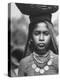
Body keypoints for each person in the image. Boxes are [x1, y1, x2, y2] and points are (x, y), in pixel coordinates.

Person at [16, 3, 59, 76]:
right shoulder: (24, 64)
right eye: (37, 33)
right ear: (31, 37)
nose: (41, 38)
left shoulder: (57, 61)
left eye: (45, 33)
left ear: (51, 36)